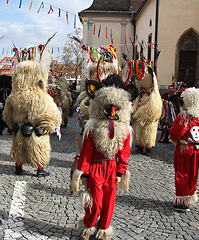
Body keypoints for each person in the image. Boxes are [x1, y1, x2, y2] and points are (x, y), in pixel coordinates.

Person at [70, 74, 132, 240]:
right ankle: (88, 225)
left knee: (109, 203)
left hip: (111, 169)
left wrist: (120, 172)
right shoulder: (93, 127)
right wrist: (84, 173)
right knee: (95, 203)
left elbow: (124, 152)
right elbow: (87, 152)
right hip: (96, 168)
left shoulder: (124, 129)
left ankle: (104, 229)